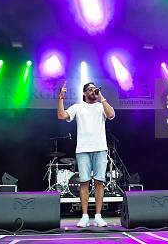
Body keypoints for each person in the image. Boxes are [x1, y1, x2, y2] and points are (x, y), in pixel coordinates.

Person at [57, 81, 116, 228]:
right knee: (84, 182)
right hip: (83, 150)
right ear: (84, 93)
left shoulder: (101, 105)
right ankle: (84, 216)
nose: (93, 91)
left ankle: (98, 216)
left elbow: (111, 115)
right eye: (89, 89)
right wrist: (61, 98)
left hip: (100, 149)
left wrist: (101, 96)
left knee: (99, 182)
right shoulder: (78, 107)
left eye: (94, 89)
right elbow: (61, 115)